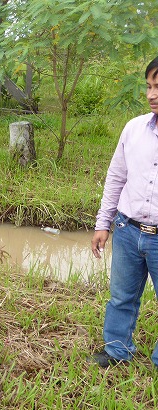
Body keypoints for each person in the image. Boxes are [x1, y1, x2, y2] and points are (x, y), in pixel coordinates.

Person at [89, 56, 158, 369]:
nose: (151, 94)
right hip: (128, 230)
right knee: (121, 297)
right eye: (149, 86)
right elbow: (116, 177)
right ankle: (117, 351)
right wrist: (103, 223)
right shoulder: (133, 129)